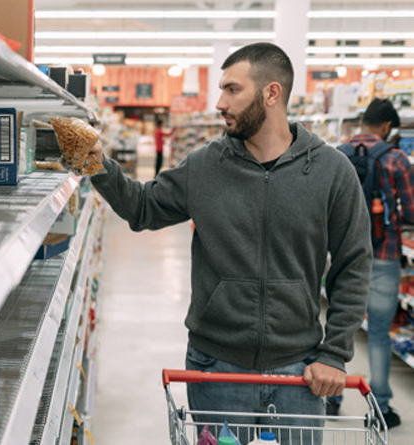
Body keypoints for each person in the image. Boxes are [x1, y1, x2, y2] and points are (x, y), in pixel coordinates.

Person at [86, 42, 372, 445]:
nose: (220, 102)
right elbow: (144, 208)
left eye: (232, 90)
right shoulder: (205, 165)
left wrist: (335, 353)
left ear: (271, 93)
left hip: (299, 371)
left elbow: (354, 262)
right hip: (215, 366)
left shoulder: (331, 171)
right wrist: (95, 163)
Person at [326, 98, 414, 428]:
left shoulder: (335, 155)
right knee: (378, 333)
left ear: (363, 121)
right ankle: (381, 408)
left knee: (340, 328)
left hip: (344, 258)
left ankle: (332, 398)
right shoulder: (397, 160)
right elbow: (411, 210)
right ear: (388, 127)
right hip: (385, 256)